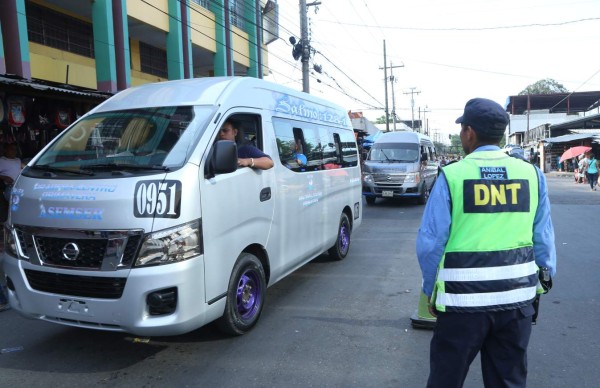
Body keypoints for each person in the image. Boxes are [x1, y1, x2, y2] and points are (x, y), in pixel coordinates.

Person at [416, 98, 557, 388]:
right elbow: (543, 236)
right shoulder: (531, 174)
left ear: (469, 132)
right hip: (515, 302)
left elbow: (431, 244)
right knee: (508, 380)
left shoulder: (453, 175)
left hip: (460, 304)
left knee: (446, 379)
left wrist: (430, 290)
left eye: (462, 131)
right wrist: (543, 278)